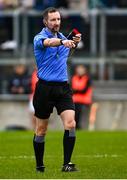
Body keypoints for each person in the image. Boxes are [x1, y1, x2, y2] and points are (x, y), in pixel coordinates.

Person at [33, 7, 81, 173]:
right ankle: (40, 166)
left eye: (58, 19)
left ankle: (67, 164)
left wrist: (74, 43)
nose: (56, 23)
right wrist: (62, 42)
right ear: (45, 21)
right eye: (53, 20)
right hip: (45, 88)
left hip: (63, 87)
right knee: (41, 130)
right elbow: (49, 43)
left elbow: (65, 55)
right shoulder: (40, 37)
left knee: (71, 123)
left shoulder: (61, 37)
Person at [71, 65, 93, 129]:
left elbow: (84, 90)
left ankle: (77, 126)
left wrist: (76, 90)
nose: (80, 71)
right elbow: (71, 89)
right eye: (79, 69)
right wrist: (78, 90)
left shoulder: (87, 78)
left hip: (83, 101)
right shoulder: (73, 78)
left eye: (81, 69)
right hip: (74, 100)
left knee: (78, 113)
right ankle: (75, 126)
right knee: (72, 114)